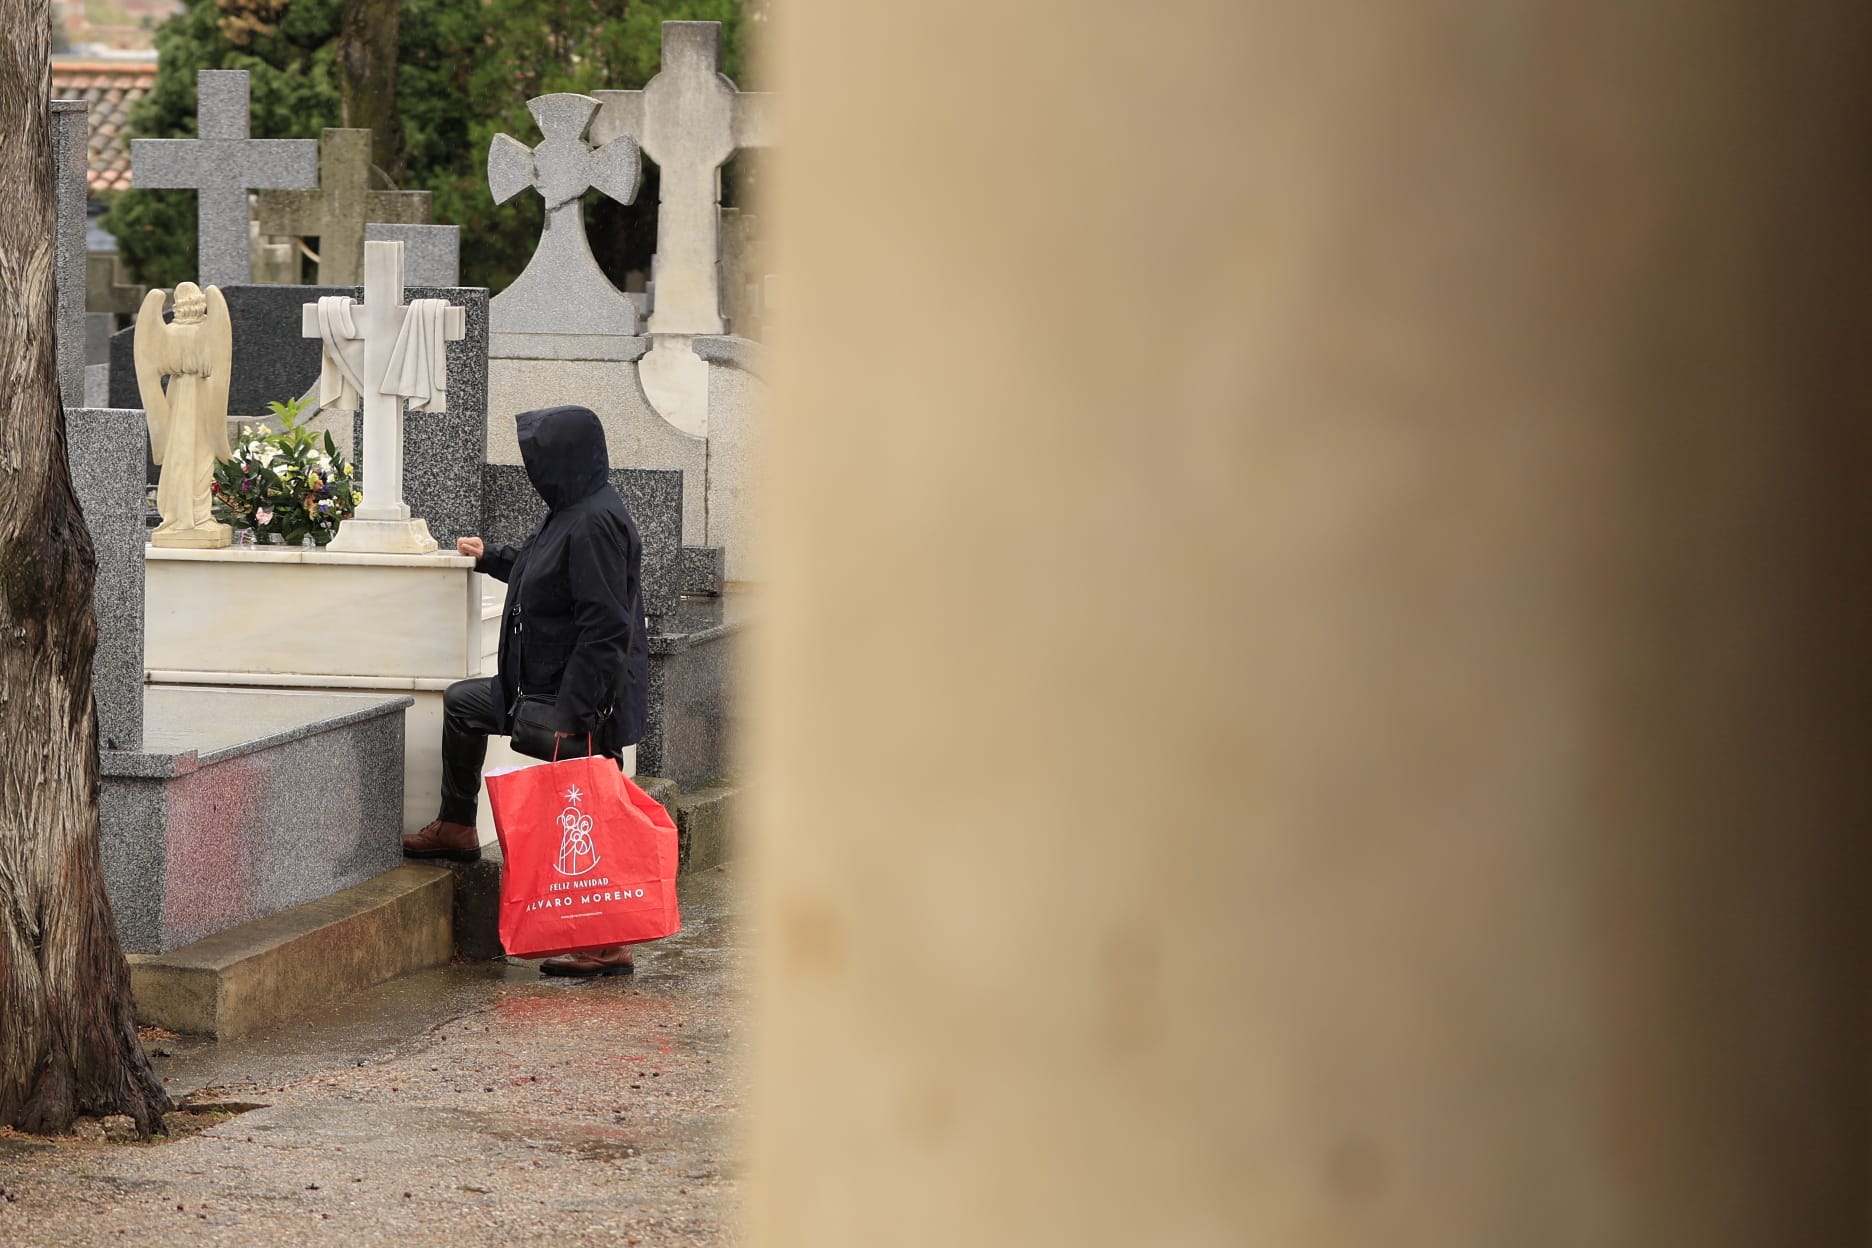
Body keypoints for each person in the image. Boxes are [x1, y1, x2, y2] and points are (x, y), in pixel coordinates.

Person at [402, 404, 650, 978]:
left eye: (539, 456)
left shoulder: (593, 522)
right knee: (464, 705)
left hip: (576, 704)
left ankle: (609, 943)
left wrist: (575, 713)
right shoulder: (572, 510)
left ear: (563, 458)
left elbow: (606, 627)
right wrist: (494, 558)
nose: (531, 468)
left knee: (589, 809)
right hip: (536, 692)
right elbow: (544, 572)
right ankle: (458, 825)